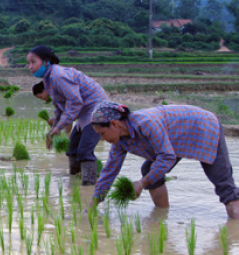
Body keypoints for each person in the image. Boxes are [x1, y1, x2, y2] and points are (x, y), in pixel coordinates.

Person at [89, 100, 239, 219]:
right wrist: (92, 205)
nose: (102, 139)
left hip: (203, 127)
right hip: (175, 139)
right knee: (149, 170)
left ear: (114, 124)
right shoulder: (120, 141)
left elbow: (167, 157)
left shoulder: (146, 123)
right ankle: (162, 216)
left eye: (102, 133)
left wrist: (141, 183)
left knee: (223, 183)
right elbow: (109, 172)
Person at [26, 45, 108, 185]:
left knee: (85, 150)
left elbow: (75, 102)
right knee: (72, 149)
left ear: (46, 61)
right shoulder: (48, 79)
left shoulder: (58, 76)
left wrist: (59, 126)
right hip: (85, 112)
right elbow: (59, 107)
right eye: (28, 63)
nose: (30, 66)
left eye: (34, 62)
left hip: (96, 110)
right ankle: (74, 181)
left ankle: (88, 186)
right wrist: (53, 130)